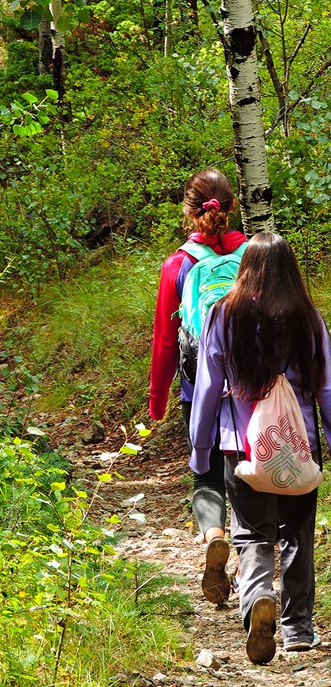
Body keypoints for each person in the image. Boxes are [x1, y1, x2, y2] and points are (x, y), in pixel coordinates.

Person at [190, 232, 331, 665]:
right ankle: (298, 629)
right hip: (299, 447)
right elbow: (327, 389)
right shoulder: (309, 319)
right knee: (297, 535)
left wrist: (200, 450)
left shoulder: (222, 316)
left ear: (245, 269)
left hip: (243, 448)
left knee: (252, 534)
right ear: (292, 272)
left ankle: (257, 603)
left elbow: (208, 389)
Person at [149, 168, 247, 604]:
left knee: (205, 476)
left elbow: (165, 339)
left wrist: (158, 399)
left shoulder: (179, 264)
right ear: (234, 206)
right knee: (247, 475)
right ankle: (250, 564)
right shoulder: (256, 256)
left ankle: (213, 534)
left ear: (189, 213)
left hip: (198, 387)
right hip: (253, 388)